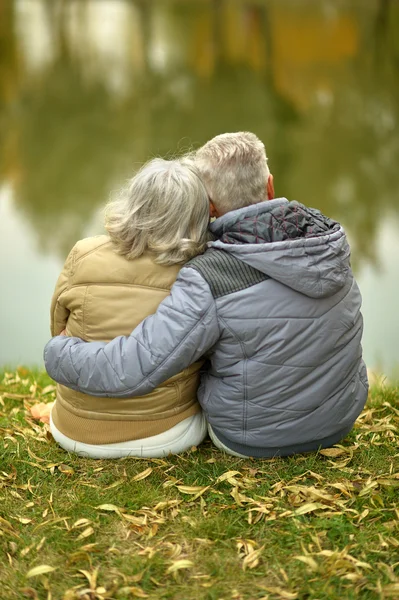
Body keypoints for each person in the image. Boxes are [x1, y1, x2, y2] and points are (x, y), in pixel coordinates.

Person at [45, 132, 368, 459]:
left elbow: (136, 366)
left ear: (209, 207)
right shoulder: (328, 240)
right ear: (269, 186)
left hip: (252, 438)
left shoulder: (210, 275)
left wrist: (59, 352)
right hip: (341, 419)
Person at [47, 158, 210, 459]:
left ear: (134, 202)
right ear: (196, 218)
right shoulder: (198, 275)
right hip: (163, 433)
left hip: (71, 430)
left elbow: (57, 328)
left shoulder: (83, 253)